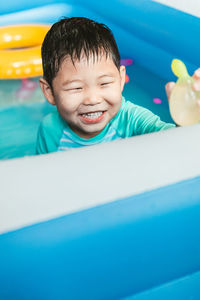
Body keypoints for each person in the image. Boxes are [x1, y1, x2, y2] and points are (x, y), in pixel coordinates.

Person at [36, 17, 200, 154]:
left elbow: (174, 144)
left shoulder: (133, 120)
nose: (93, 99)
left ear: (121, 79)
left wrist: (187, 114)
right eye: (76, 88)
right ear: (49, 92)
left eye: (104, 83)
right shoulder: (50, 130)